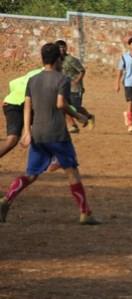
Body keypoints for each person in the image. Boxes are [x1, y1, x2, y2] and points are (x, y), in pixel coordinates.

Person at [0, 43, 100, 224]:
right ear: (57, 59)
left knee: (31, 174)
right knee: (72, 172)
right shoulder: (62, 80)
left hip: (37, 132)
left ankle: (6, 200)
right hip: (57, 133)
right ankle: (85, 213)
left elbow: (27, 105)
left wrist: (27, 132)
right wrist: (80, 117)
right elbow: (61, 104)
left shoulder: (33, 79)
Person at [0, 68, 42, 159]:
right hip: (17, 104)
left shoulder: (35, 72)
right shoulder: (45, 76)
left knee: (40, 132)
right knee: (12, 140)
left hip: (13, 102)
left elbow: (13, 83)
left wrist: (11, 95)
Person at [55, 40, 95, 133]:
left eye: (63, 47)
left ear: (66, 48)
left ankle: (89, 117)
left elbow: (82, 70)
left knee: (76, 107)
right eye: (59, 47)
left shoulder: (71, 60)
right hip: (63, 87)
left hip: (74, 88)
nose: (61, 49)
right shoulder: (56, 61)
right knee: (64, 107)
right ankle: (73, 126)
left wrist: (77, 81)